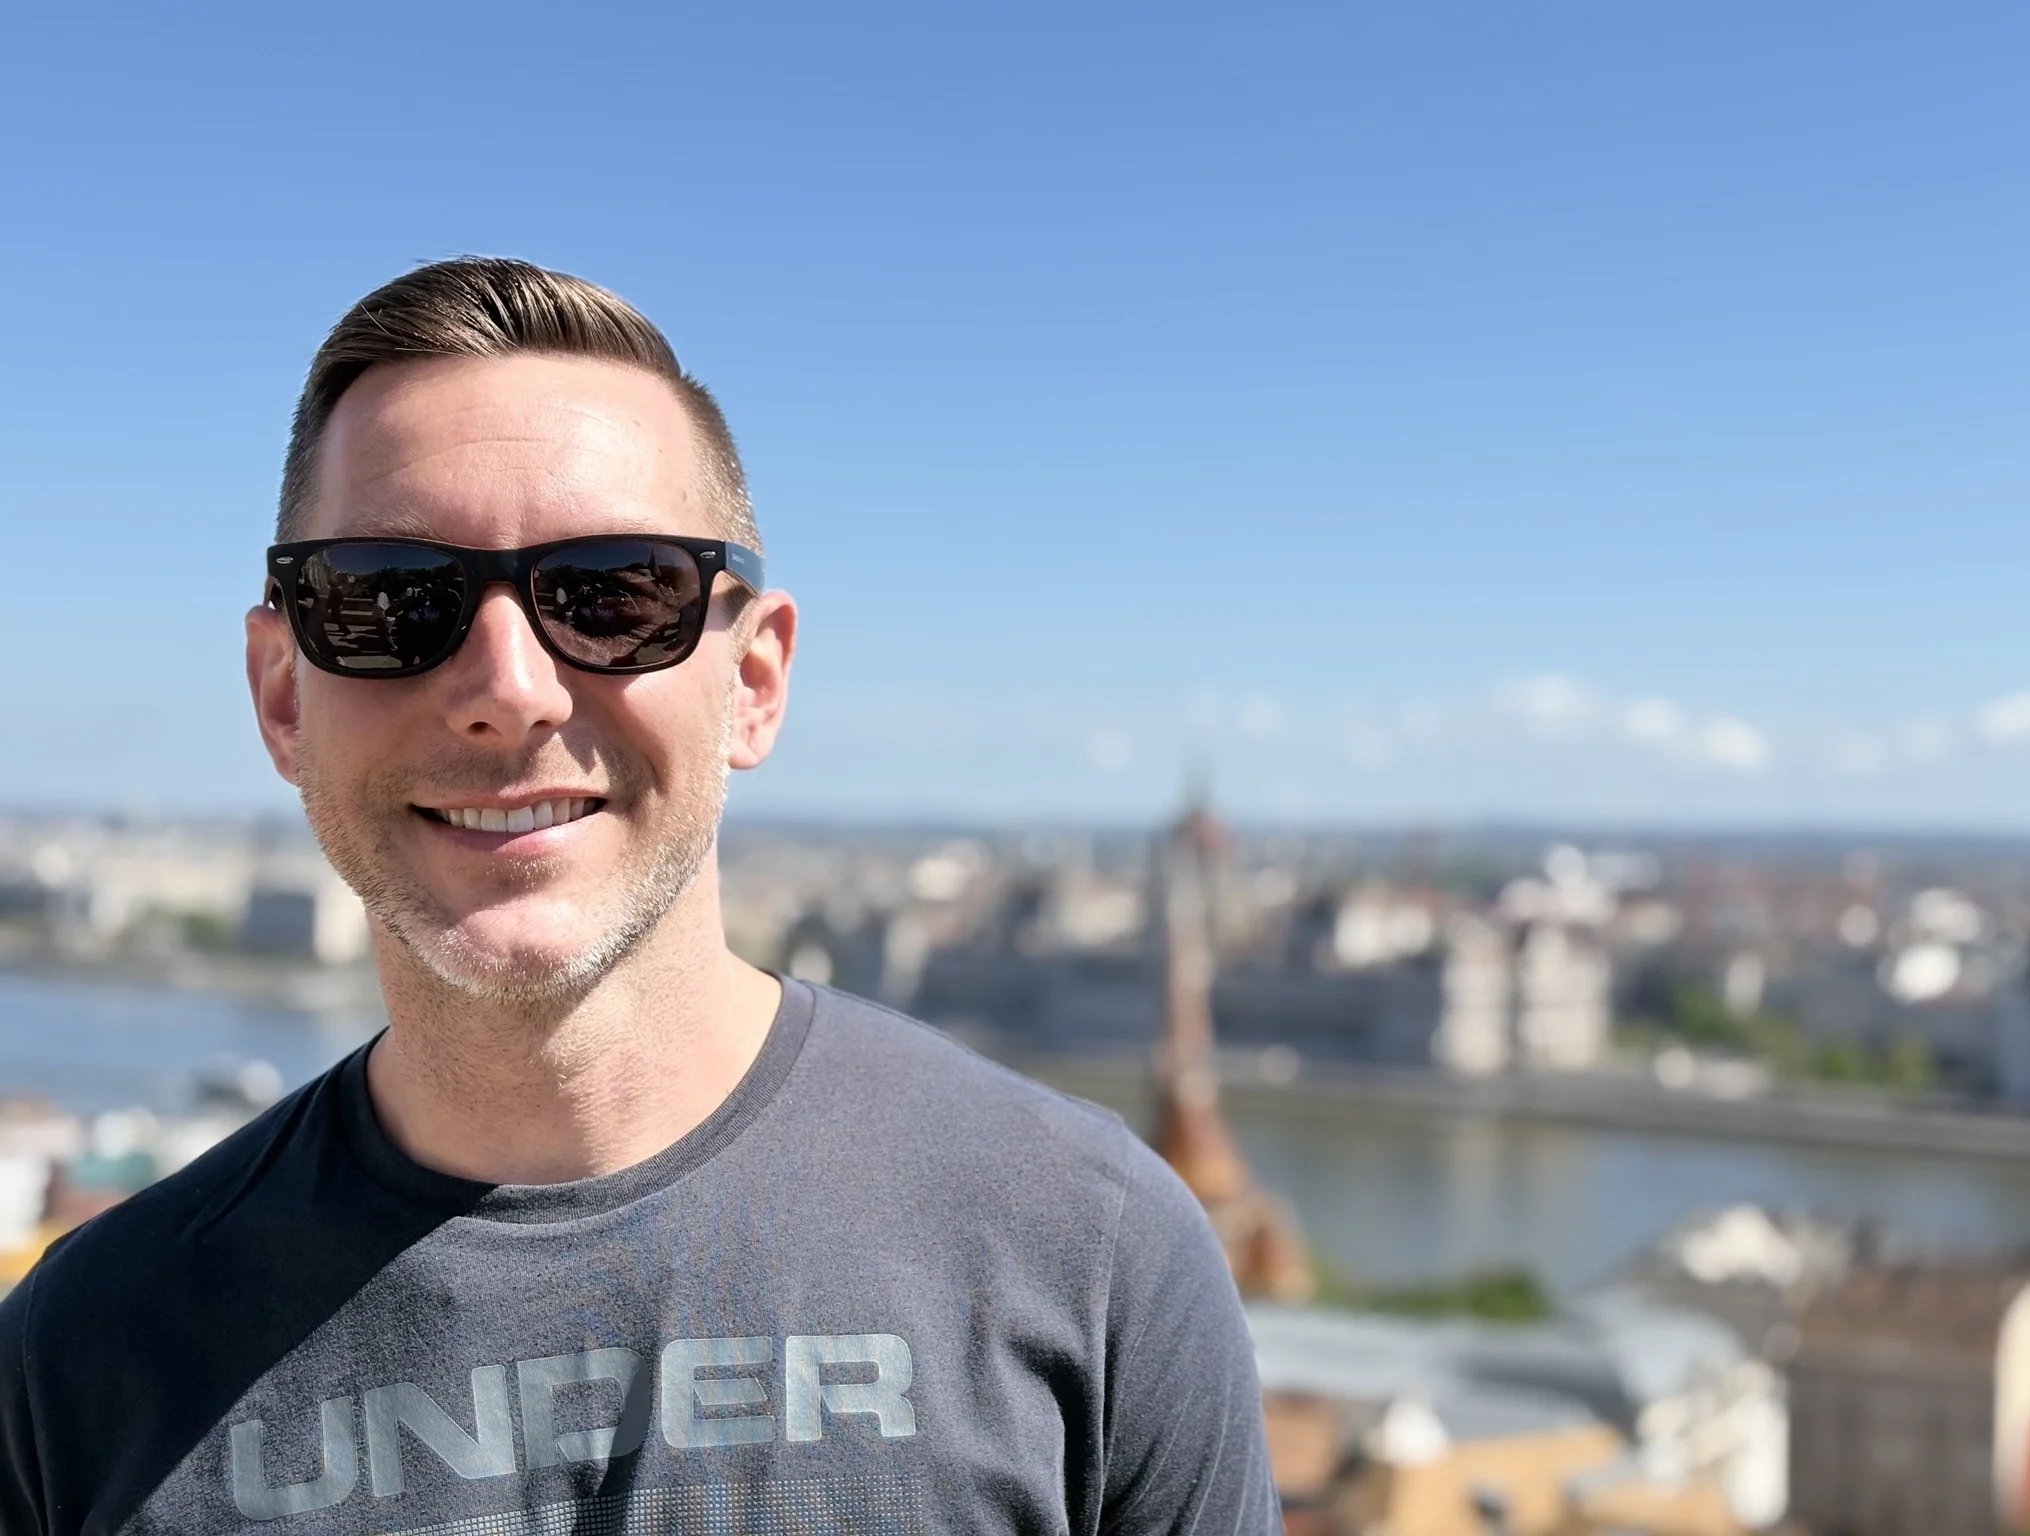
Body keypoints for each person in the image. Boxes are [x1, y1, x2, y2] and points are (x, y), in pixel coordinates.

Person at [0, 258, 1280, 1534]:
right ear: (283, 696)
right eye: (388, 599)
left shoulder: (1087, 1257)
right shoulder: (75, 1362)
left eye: (617, 594)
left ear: (755, 681)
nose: (510, 687)